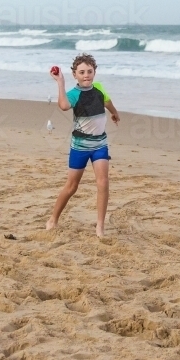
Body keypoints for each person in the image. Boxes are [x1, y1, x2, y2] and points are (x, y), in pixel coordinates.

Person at [47, 53, 120, 237]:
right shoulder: (74, 94)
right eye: (82, 72)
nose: (86, 75)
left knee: (103, 182)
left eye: (89, 71)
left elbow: (107, 101)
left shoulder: (99, 88)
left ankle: (100, 227)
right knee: (72, 186)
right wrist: (60, 82)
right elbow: (63, 106)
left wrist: (114, 113)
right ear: (75, 75)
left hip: (100, 144)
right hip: (79, 146)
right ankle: (53, 219)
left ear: (94, 72)